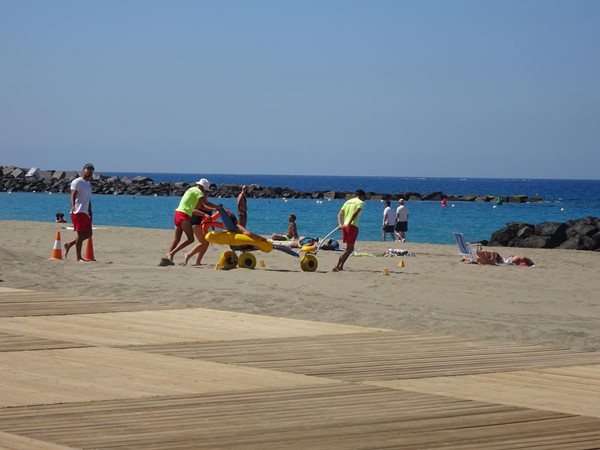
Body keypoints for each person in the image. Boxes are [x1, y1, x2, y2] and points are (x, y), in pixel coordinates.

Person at [161, 178, 220, 266]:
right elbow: (205, 204)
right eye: (206, 190)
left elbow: (202, 206)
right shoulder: (199, 192)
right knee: (190, 239)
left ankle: (168, 259)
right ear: (203, 187)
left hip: (177, 213)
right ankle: (171, 254)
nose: (205, 192)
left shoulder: (192, 189)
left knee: (177, 239)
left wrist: (215, 208)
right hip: (184, 215)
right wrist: (217, 208)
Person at [64, 163, 94, 261]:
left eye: (91, 171)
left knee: (89, 233)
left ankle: (69, 245)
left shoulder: (88, 184)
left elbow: (88, 199)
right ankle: (78, 257)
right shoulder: (77, 182)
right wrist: (73, 206)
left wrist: (90, 211)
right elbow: (73, 194)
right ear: (83, 170)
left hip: (85, 212)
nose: (89, 172)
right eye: (88, 170)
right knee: (80, 235)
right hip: (78, 211)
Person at [333, 189, 366, 272]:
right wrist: (349, 223)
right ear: (361, 196)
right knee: (349, 248)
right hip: (352, 226)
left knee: (349, 248)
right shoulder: (360, 202)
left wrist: (340, 223)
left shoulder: (348, 202)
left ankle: (340, 266)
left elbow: (340, 213)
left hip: (345, 226)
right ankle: (337, 266)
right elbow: (355, 213)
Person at [460, 250, 535, 266]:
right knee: (493, 255)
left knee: (481, 259)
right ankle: (468, 259)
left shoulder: (517, 258)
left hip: (505, 260)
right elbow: (525, 259)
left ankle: (467, 259)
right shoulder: (517, 259)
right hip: (505, 260)